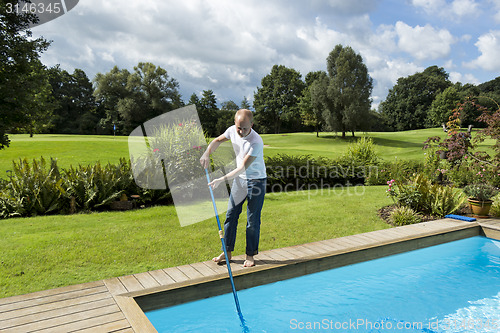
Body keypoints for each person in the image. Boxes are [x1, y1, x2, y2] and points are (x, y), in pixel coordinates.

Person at [200, 109, 267, 267]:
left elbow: (242, 167)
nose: (241, 131)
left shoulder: (256, 142)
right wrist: (206, 153)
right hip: (240, 181)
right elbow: (217, 140)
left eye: (245, 128)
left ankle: (250, 255)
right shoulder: (232, 130)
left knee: (252, 220)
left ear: (251, 124)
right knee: (231, 215)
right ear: (235, 124)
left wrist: (221, 179)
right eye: (239, 127)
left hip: (256, 181)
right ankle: (227, 252)